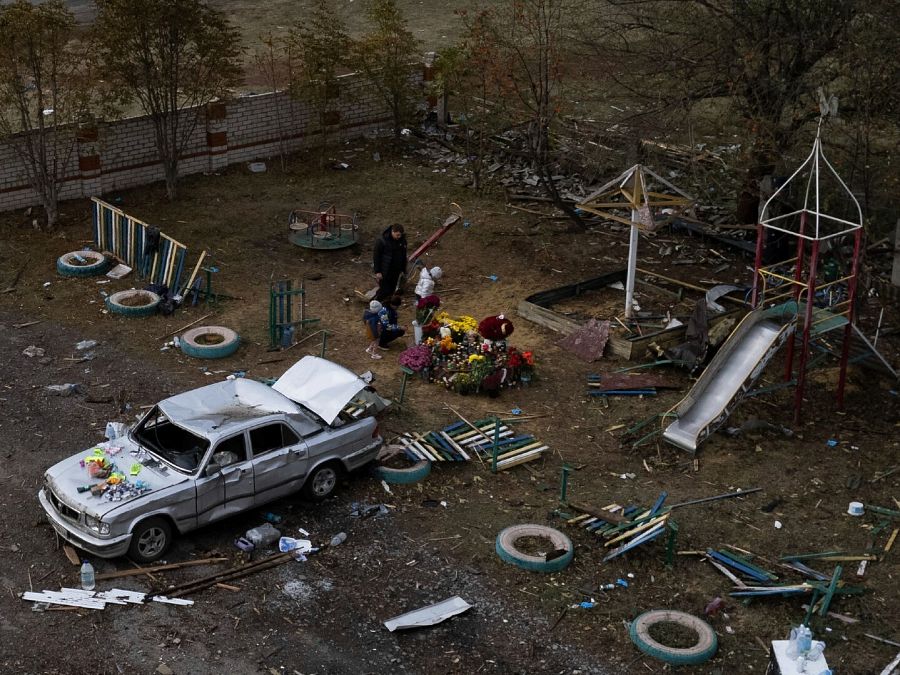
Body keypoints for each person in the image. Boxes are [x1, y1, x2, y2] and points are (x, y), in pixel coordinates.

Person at [373, 223, 408, 301]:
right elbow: (376, 257)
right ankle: (376, 305)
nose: (399, 237)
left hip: (396, 271)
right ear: (392, 231)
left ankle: (387, 305)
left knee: (392, 290)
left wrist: (403, 269)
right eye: (397, 235)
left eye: (400, 235)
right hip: (385, 271)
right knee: (384, 290)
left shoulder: (402, 241)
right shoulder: (382, 241)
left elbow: (403, 255)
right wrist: (377, 271)